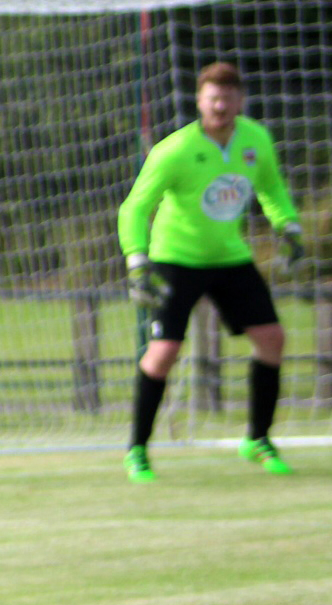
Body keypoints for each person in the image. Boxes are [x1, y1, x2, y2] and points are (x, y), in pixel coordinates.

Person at [119, 61, 309, 482]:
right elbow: (134, 206)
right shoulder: (176, 149)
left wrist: (289, 227)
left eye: (228, 97)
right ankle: (137, 449)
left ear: (240, 100)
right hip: (175, 258)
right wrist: (137, 260)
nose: (220, 105)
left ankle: (258, 439)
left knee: (272, 338)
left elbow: (271, 187)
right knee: (164, 353)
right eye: (212, 98)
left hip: (228, 256)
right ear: (200, 102)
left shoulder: (255, 139)